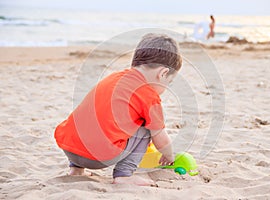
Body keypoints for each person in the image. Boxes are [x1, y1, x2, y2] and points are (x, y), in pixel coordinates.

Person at [54, 33, 182, 186]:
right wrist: (169, 155)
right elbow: (160, 136)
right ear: (163, 74)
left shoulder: (113, 78)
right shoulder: (149, 95)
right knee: (148, 128)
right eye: (169, 82)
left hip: (69, 148)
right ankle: (124, 175)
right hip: (96, 158)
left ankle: (76, 170)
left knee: (93, 117)